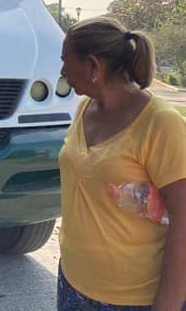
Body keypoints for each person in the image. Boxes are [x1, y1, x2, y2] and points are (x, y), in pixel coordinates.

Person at [58, 16, 186, 311]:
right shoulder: (85, 108)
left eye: (66, 62)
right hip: (74, 283)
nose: (62, 71)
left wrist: (168, 303)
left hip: (132, 299)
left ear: (93, 66)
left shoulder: (160, 124)